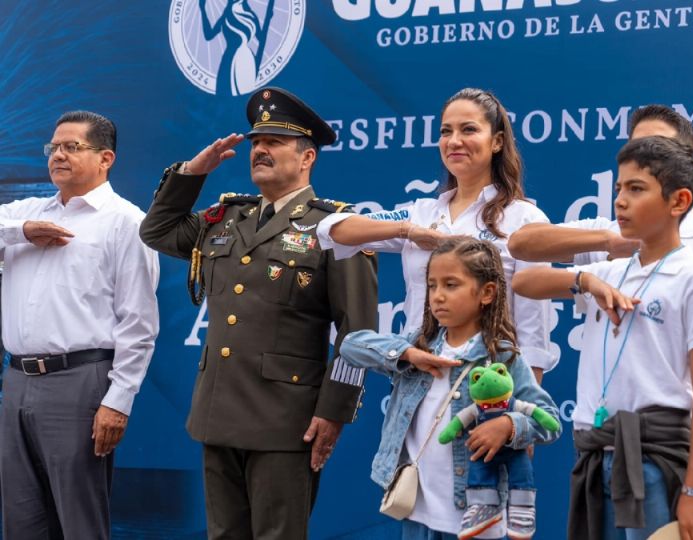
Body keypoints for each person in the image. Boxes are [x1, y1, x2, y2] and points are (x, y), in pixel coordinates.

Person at [139, 87, 379, 539]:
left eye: (274, 142)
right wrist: (193, 172)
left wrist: (334, 412)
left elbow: (359, 335)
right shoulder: (227, 217)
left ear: (307, 157)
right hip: (218, 410)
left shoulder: (336, 227)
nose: (260, 150)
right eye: (255, 143)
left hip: (287, 420)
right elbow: (157, 230)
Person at [507, 105, 693, 499]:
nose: (645, 156)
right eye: (637, 147)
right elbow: (521, 249)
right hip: (597, 437)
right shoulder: (611, 242)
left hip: (667, 443)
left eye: (658, 147)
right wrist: (599, 256)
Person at [315, 88, 555, 380]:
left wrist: (516, 413)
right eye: (445, 131)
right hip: (415, 380)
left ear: (497, 141)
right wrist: (410, 232)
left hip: (485, 382)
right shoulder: (422, 214)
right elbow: (334, 229)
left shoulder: (524, 219)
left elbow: (533, 338)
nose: (454, 141)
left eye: (469, 129)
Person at [0, 111, 160, 539]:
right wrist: (22, 232)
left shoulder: (126, 222)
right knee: (21, 519)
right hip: (16, 379)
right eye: (53, 147)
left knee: (79, 523)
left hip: (81, 381)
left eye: (72, 147)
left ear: (106, 158)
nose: (58, 155)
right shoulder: (27, 213)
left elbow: (139, 323)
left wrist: (118, 401)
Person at [340, 237, 560, 540]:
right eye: (432, 286)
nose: (438, 296)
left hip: (475, 514)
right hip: (415, 507)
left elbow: (549, 420)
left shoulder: (502, 357)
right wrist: (407, 355)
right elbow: (351, 347)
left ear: (486, 293)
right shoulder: (420, 345)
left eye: (451, 285)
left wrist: (509, 424)